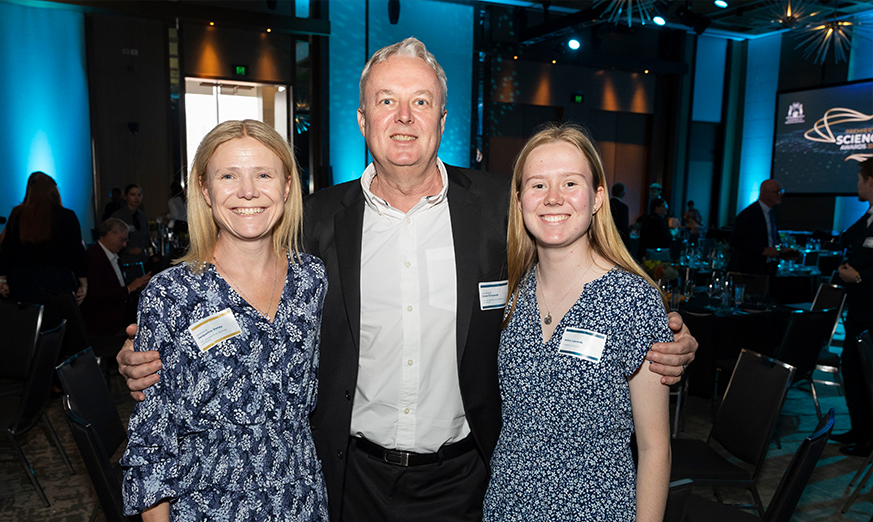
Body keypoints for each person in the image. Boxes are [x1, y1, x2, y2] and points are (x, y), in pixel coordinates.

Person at [118, 38, 697, 522]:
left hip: (469, 477)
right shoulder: (315, 219)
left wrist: (666, 331)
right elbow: (239, 295)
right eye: (386, 100)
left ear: (443, 119)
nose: (403, 117)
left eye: (421, 101)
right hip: (347, 477)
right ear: (363, 118)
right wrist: (147, 352)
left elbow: (579, 275)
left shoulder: (503, 207)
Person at [120, 120, 329, 520]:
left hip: (301, 501)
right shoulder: (172, 294)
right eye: (228, 175)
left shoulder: (311, 279)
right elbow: (151, 443)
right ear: (204, 189)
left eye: (263, 175)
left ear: (286, 186)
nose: (247, 191)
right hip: (209, 506)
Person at [484, 122, 670, 521]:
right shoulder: (510, 293)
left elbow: (655, 448)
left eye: (570, 183)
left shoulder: (633, 300)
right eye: (537, 185)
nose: (553, 198)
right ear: (518, 200)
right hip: (506, 508)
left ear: (598, 196)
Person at [829, 158, 873, 456]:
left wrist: (858, 276)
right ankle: (861, 430)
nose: (856, 184)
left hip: (871, 312)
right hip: (859, 311)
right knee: (853, 371)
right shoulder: (868, 216)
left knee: (868, 374)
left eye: (860, 178)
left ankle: (869, 439)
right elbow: (848, 239)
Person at [0, 172, 87, 305]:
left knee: (27, 322)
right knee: (57, 320)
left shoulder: (18, 214)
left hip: (22, 278)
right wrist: (83, 282)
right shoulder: (66, 216)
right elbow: (76, 251)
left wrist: (2, 278)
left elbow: (8, 248)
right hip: (57, 278)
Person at [79, 218, 150, 354]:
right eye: (122, 239)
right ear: (110, 234)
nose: (124, 245)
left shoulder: (112, 256)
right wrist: (130, 288)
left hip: (116, 318)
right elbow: (99, 294)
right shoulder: (93, 257)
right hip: (103, 324)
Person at [728, 179, 798, 275]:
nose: (781, 194)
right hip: (749, 270)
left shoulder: (771, 213)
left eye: (781, 191)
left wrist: (781, 251)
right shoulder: (749, 214)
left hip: (767, 267)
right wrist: (763, 250)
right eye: (777, 192)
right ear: (765, 193)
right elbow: (735, 241)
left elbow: (772, 239)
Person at [111, 184, 150, 266]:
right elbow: (112, 240)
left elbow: (146, 238)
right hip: (124, 260)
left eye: (139, 195)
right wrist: (129, 250)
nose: (136, 198)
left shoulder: (143, 217)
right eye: (133, 195)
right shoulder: (118, 216)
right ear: (126, 196)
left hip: (142, 260)